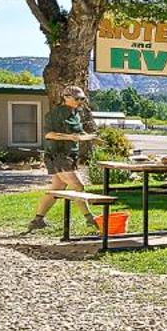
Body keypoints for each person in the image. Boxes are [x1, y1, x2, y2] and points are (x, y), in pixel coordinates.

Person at [28, 85, 100, 231]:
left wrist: (92, 138)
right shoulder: (55, 114)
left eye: (82, 98)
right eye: (77, 99)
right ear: (66, 98)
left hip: (70, 156)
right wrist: (70, 137)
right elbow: (49, 135)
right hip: (57, 155)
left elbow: (79, 134)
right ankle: (90, 219)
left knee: (57, 187)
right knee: (78, 186)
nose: (80, 101)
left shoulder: (76, 113)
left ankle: (37, 220)